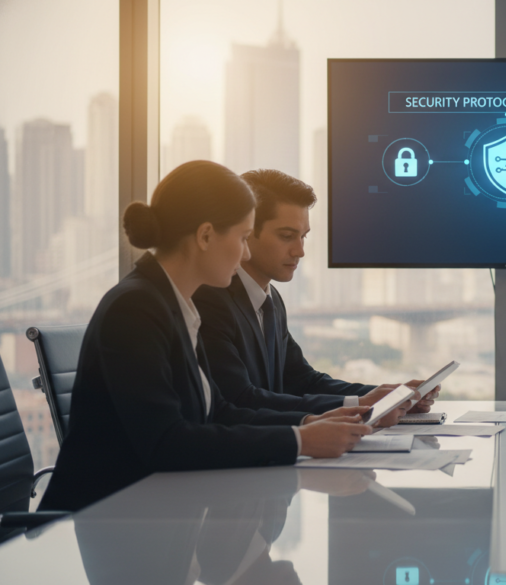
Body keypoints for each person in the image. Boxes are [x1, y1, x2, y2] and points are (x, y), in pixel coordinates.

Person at [40, 161, 375, 512]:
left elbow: (220, 411)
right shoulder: (136, 308)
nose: (245, 253)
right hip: (113, 520)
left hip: (159, 515)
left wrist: (309, 425)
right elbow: (166, 442)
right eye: (243, 238)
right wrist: (299, 440)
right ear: (205, 236)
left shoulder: (174, 303)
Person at [193, 169, 438, 415]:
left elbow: (302, 380)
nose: (300, 251)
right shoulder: (210, 300)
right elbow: (239, 399)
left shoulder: (271, 299)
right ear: (247, 232)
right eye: (287, 236)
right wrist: (359, 405)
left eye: (303, 237)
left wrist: (388, 397)